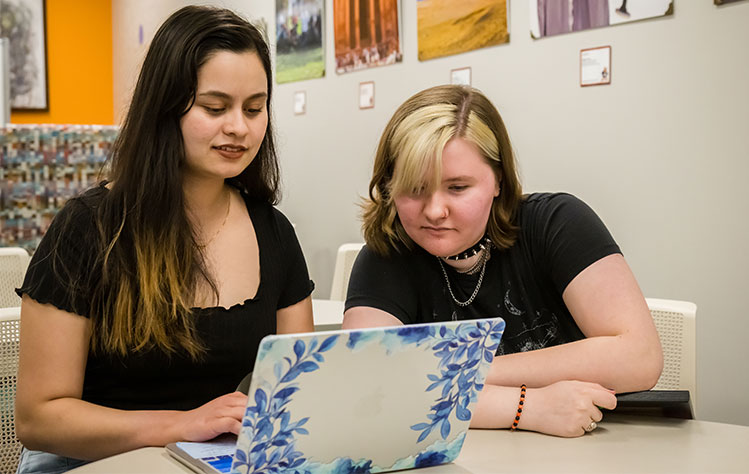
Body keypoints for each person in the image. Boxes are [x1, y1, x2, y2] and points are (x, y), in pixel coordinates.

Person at [14, 6, 314, 472]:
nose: (239, 126)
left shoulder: (273, 232)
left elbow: (298, 387)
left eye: (255, 109)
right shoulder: (88, 229)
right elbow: (40, 418)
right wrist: (182, 424)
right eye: (215, 108)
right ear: (165, 107)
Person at [343, 85, 663, 438]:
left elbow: (640, 357)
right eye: (415, 189)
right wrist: (527, 408)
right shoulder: (385, 255)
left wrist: (466, 370)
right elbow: (366, 386)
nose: (434, 211)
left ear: (498, 180)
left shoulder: (557, 223)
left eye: (458, 187)